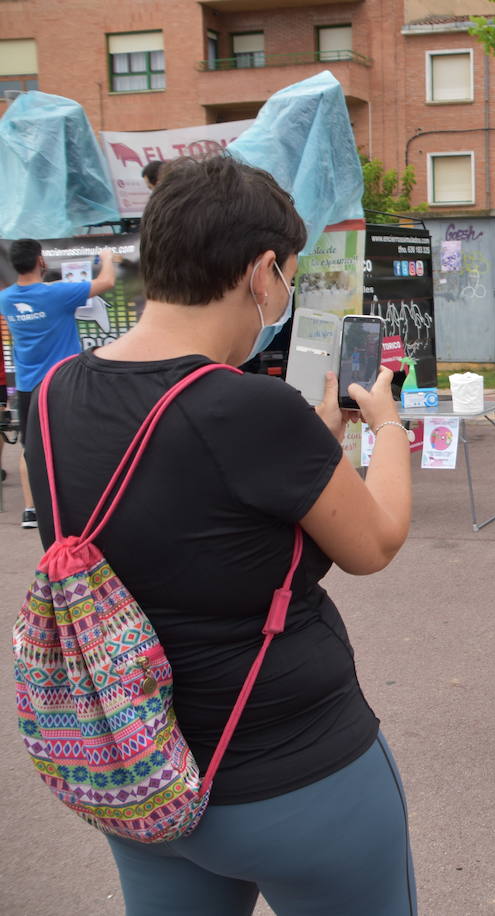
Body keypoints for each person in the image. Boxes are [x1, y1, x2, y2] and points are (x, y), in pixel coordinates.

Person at [25, 155, 417, 915]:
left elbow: (198, 507)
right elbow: (375, 542)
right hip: (298, 777)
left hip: (145, 779)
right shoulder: (246, 409)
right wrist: (388, 423)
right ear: (261, 272)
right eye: (288, 278)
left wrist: (321, 428)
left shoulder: (52, 398)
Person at [0, 238, 117, 528]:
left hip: (28, 386)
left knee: (31, 448)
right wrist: (106, 257)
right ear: (41, 262)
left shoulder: (6, 299)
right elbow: (107, 282)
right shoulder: (59, 295)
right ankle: (83, 504)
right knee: (75, 441)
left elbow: (35, 292)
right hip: (62, 383)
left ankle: (31, 510)